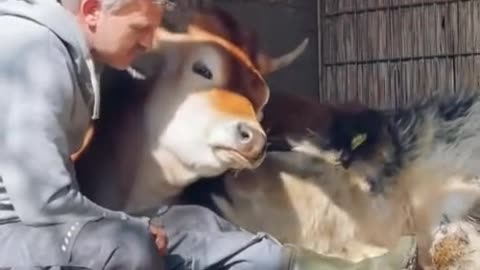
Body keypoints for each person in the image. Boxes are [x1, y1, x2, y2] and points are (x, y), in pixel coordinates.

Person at [0, 0, 418, 269]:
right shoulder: (34, 55)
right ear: (92, 11)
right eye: (139, 28)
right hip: (15, 233)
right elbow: (44, 202)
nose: (148, 41)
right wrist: (129, 227)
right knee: (124, 245)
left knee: (193, 221)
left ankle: (354, 267)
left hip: (44, 226)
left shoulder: (75, 57)